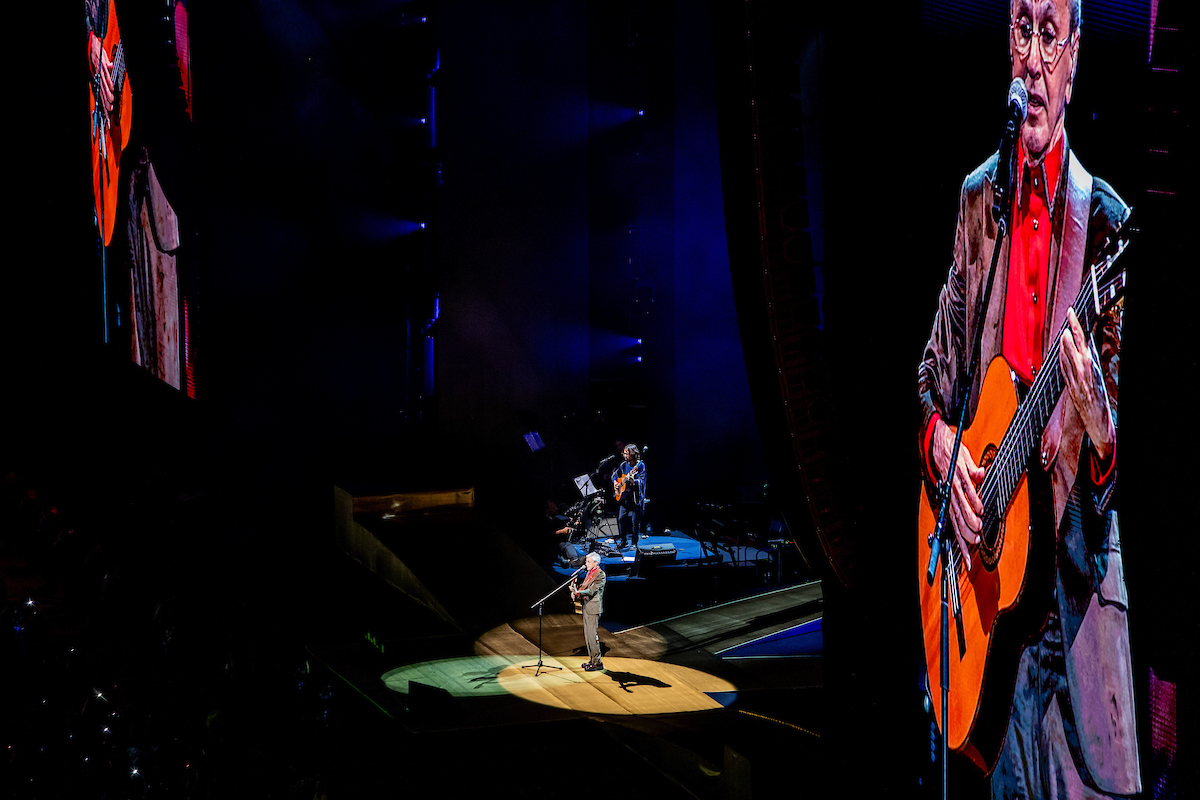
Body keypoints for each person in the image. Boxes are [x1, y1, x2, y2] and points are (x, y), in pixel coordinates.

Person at [916, 1, 1138, 796]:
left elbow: (1121, 459)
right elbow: (932, 382)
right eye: (1020, 29)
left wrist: (1098, 415)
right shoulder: (980, 203)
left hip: (1073, 595)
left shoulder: (1107, 224)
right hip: (987, 595)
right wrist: (944, 452)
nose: (1033, 57)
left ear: (1075, 57)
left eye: (1051, 33)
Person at [571, 552, 607, 671]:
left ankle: (597, 662)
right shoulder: (589, 573)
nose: (586, 564)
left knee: (592, 636)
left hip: (593, 608)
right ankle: (592, 660)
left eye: (588, 562)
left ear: (596, 563)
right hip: (586, 606)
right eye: (586, 561)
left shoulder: (600, 575)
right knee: (587, 635)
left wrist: (578, 592)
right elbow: (584, 587)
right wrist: (576, 590)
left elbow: (591, 591)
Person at [610, 444, 646, 550]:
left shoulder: (640, 466)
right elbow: (614, 475)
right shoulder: (623, 465)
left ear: (632, 454)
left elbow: (642, 480)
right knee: (621, 518)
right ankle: (623, 541)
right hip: (624, 497)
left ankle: (634, 542)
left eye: (626, 453)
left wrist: (633, 481)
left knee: (635, 521)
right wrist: (615, 483)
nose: (624, 455)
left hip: (635, 497)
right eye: (624, 453)